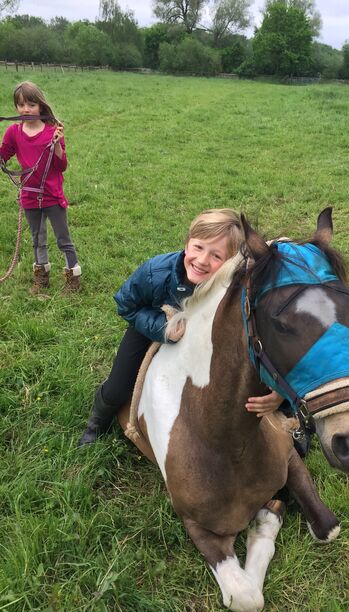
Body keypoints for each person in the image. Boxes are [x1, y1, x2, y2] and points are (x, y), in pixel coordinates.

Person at [79, 208, 283, 446]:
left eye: (216, 256)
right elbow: (126, 305)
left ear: (229, 263)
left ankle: (292, 422)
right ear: (187, 244)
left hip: (207, 336)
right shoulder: (156, 272)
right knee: (117, 387)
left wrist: (276, 388)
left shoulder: (233, 288)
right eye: (198, 247)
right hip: (154, 323)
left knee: (249, 385)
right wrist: (162, 328)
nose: (202, 260)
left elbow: (256, 331)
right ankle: (97, 422)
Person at [0, 80, 81, 294]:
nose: (25, 109)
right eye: (21, 105)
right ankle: (41, 279)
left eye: (31, 104)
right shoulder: (13, 132)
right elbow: (4, 155)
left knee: (64, 240)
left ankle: (73, 278)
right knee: (38, 240)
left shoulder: (52, 132)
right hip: (29, 196)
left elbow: (61, 166)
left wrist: (56, 145)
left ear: (40, 106)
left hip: (52, 196)